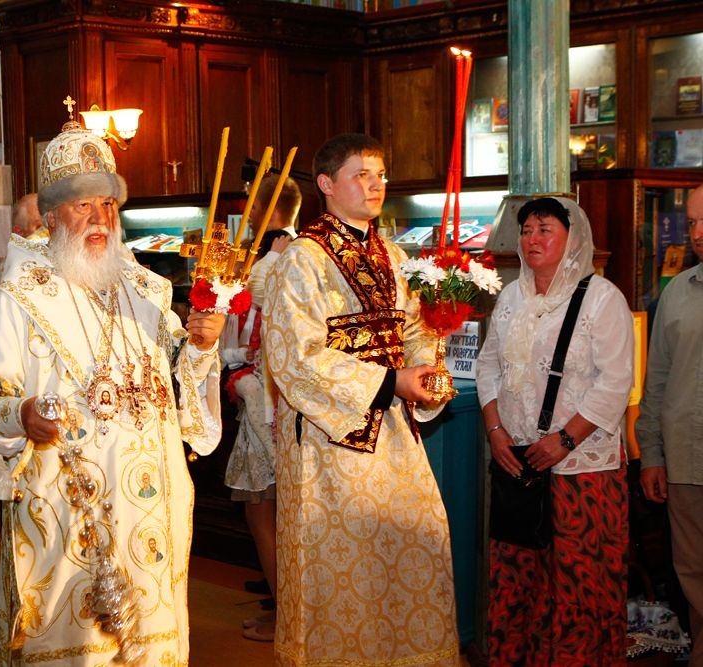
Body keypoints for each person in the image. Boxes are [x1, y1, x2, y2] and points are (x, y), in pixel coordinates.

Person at [0, 118, 226, 665]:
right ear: (52, 217)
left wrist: (201, 346)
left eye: (108, 203)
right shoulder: (20, 298)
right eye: (83, 205)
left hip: (151, 506)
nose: (100, 218)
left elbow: (179, 381)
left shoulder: (149, 291)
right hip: (68, 506)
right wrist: (19, 414)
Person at [262, 133, 458, 665]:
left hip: (394, 431)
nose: (375, 185)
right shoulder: (303, 259)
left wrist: (427, 372)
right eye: (361, 175)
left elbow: (413, 330)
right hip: (330, 439)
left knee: (416, 545)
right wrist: (392, 381)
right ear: (327, 184)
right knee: (341, 568)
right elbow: (294, 356)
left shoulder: (392, 254)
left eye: (380, 175)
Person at [477, 196, 633, 664]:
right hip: (519, 464)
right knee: (520, 580)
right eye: (526, 230)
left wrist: (565, 439)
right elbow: (488, 366)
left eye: (545, 229)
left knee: (580, 584)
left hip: (582, 471)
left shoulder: (602, 298)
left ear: (573, 238)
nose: (532, 239)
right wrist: (495, 430)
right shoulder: (510, 297)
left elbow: (616, 380)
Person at [219, 174, 301, 643]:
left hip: (268, 398)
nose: (248, 213)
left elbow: (257, 326)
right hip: (264, 390)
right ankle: (284, 607)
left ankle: (290, 616)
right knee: (268, 509)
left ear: (263, 207)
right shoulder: (286, 251)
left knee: (267, 510)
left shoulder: (279, 254)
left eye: (252, 204)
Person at [637, 184, 703, 666]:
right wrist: (652, 455)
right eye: (693, 222)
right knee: (693, 573)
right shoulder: (678, 291)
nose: (698, 233)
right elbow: (656, 380)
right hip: (685, 460)